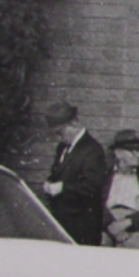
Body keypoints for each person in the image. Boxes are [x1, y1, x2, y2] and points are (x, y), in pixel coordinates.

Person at [42, 101, 106, 246]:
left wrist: (62, 188)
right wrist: (49, 183)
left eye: (60, 132)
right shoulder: (63, 147)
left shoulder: (92, 150)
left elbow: (93, 186)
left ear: (75, 124)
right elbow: (57, 173)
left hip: (82, 227)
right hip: (63, 222)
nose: (58, 137)